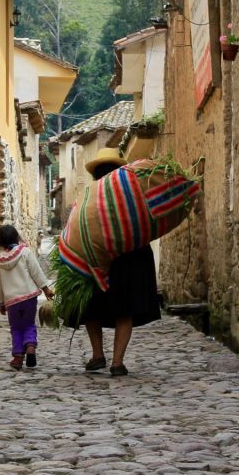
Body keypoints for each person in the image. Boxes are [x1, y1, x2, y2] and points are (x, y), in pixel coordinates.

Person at [79, 148, 161, 376]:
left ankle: (97, 355)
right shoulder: (134, 193)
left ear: (96, 174)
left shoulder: (90, 196)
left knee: (91, 308)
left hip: (99, 258)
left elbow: (80, 227)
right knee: (125, 309)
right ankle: (117, 362)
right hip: (132, 257)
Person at [0, 224, 53, 371]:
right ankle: (31, 347)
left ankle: (18, 357)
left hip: (12, 301)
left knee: (16, 328)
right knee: (29, 324)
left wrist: (1, 303)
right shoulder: (25, 252)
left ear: (0, 242)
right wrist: (46, 289)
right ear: (16, 237)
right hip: (28, 298)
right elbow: (36, 272)